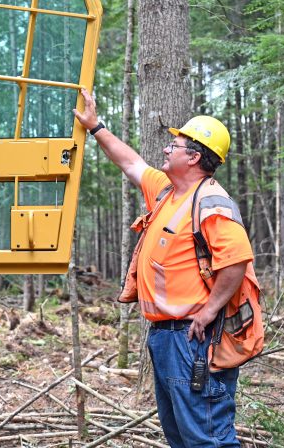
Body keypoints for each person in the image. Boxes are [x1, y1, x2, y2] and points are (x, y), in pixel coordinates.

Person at [74, 89, 251, 447]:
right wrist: (96, 127)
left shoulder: (211, 201)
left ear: (195, 156)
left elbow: (236, 261)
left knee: (207, 436)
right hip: (166, 337)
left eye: (177, 144)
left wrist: (208, 311)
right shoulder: (169, 192)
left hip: (194, 338)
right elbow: (131, 164)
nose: (167, 148)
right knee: (181, 436)